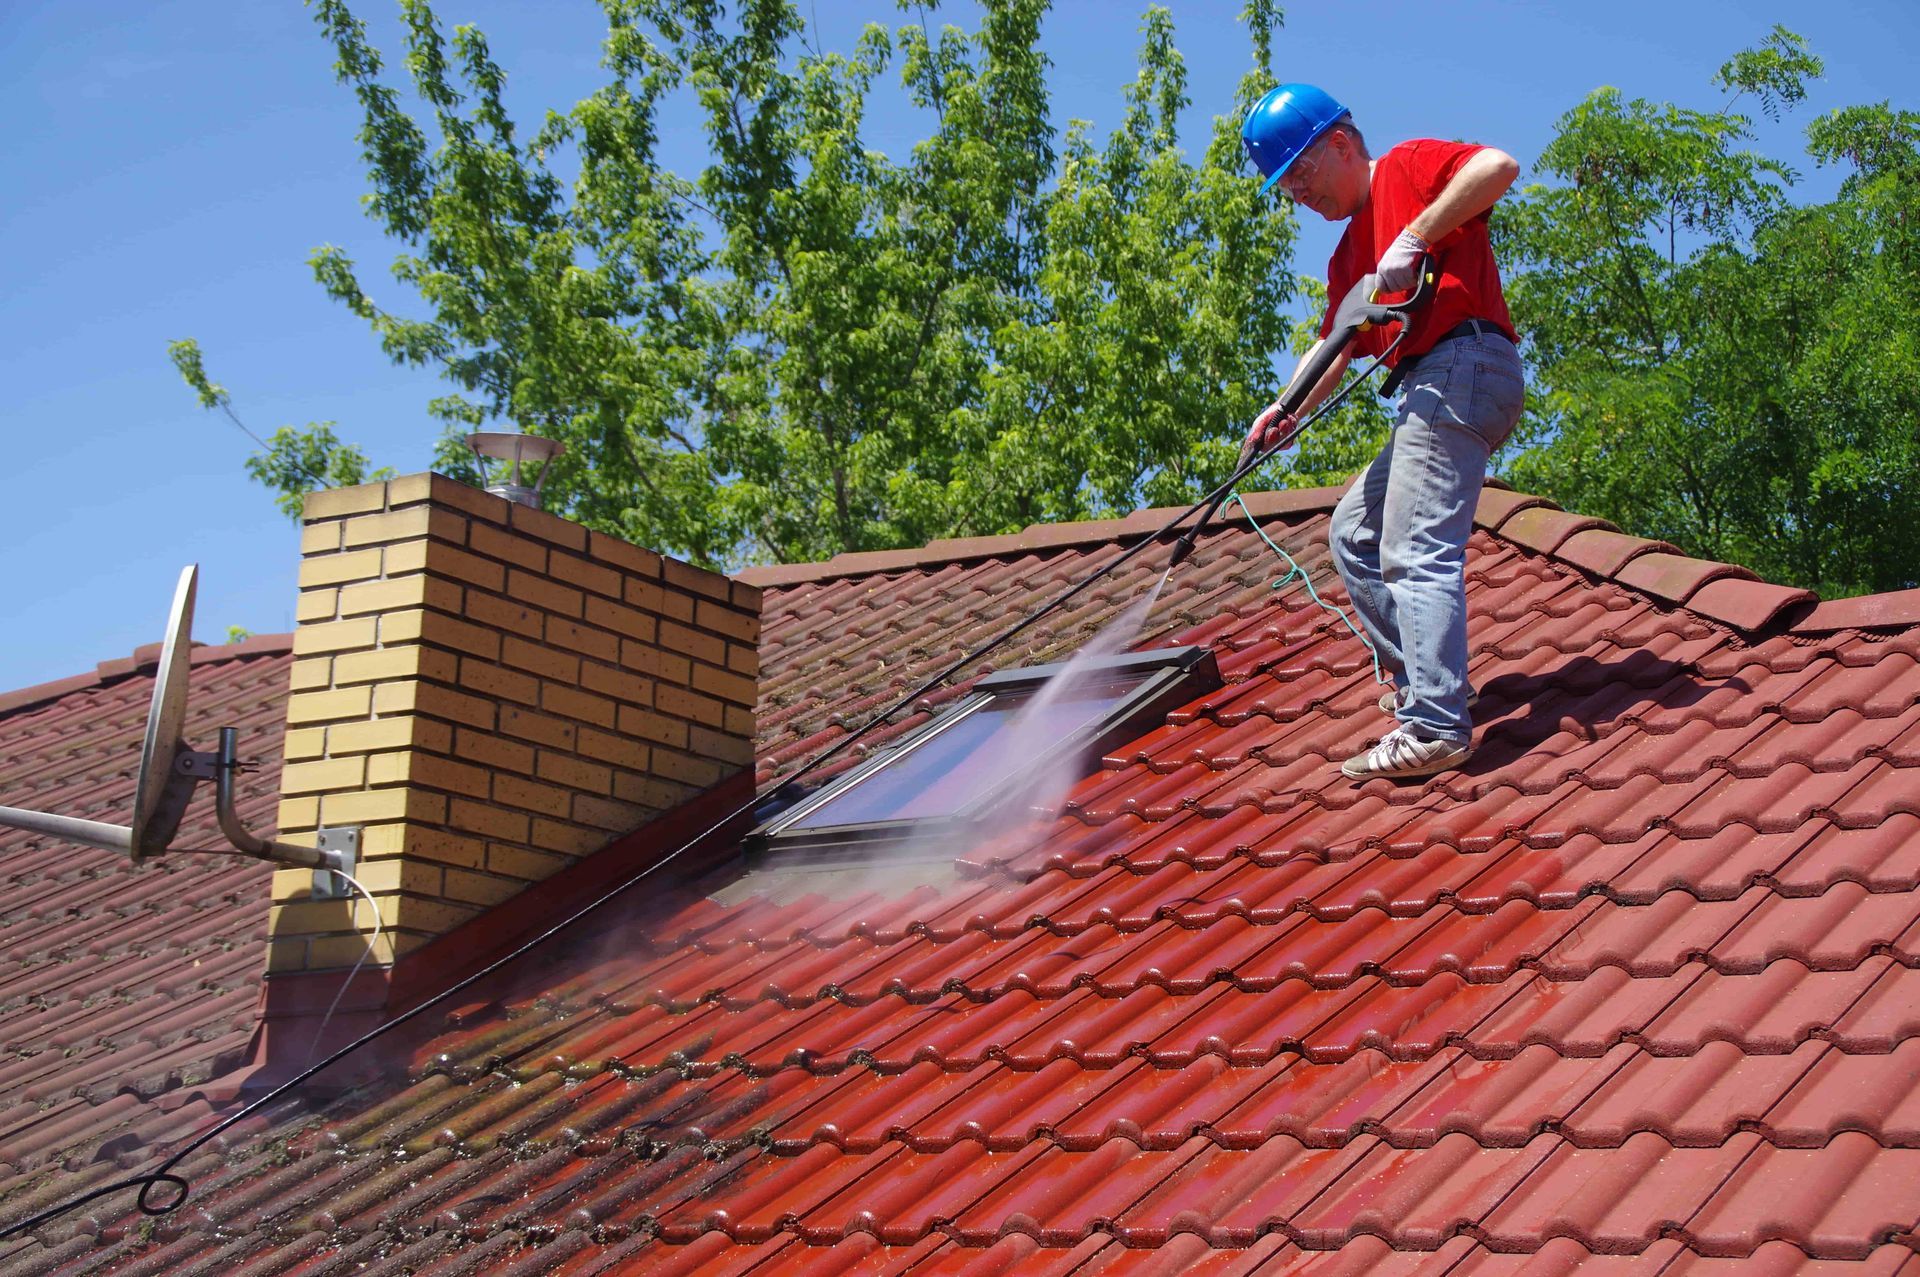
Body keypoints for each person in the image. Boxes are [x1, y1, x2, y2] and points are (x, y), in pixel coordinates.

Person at [1237, 83, 1525, 782]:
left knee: (1411, 543)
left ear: (1340, 144)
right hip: (1436, 382)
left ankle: (1435, 723)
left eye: (1299, 174)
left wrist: (1418, 234)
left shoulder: (1406, 166)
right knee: (1354, 534)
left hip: (1465, 361)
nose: (1298, 195)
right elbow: (1337, 343)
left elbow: (1499, 166)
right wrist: (1285, 408)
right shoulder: (1346, 259)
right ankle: (1426, 685)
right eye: (1286, 187)